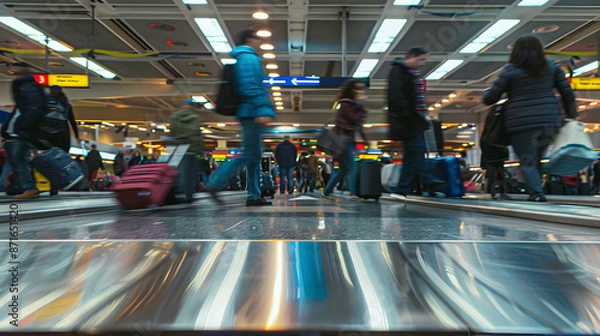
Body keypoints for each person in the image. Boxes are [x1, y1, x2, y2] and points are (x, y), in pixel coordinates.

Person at [483, 35, 577, 202]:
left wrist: (487, 92)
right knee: (537, 158)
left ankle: (537, 194)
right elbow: (567, 92)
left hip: (521, 122)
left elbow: (491, 98)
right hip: (550, 120)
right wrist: (571, 114)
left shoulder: (510, 70)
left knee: (528, 160)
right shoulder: (551, 67)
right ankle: (537, 190)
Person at [205, 29, 276, 206]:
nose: (259, 43)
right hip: (252, 111)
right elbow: (251, 85)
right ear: (250, 39)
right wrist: (262, 109)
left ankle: (254, 195)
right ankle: (215, 183)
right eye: (258, 39)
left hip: (247, 110)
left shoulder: (240, 57)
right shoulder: (248, 57)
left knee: (254, 156)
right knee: (249, 154)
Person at [387, 47, 445, 200]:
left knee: (413, 155)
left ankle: (408, 188)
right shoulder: (399, 71)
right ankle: (427, 182)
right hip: (408, 121)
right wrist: (407, 116)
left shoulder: (411, 73)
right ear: (412, 57)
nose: (423, 63)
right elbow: (397, 96)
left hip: (415, 121)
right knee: (416, 152)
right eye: (421, 59)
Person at [0, 62, 49, 199]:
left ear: (22, 73)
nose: (13, 76)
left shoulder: (27, 87)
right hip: (20, 130)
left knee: (18, 159)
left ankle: (29, 187)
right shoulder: (27, 86)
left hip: (21, 131)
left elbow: (33, 109)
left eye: (15, 73)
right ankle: (27, 187)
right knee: (16, 160)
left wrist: (23, 126)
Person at [321, 79, 368, 202]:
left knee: (344, 169)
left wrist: (365, 141)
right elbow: (353, 119)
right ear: (352, 90)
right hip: (343, 141)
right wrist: (361, 106)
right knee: (353, 166)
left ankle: (326, 192)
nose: (360, 92)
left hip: (347, 141)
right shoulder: (346, 104)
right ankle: (353, 194)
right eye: (357, 89)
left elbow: (359, 126)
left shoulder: (355, 106)